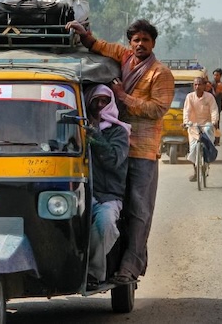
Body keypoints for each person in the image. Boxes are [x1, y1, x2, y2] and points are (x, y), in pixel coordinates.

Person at [65, 19, 174, 284]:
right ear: (130, 43)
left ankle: (130, 267)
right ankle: (105, 262)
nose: (139, 45)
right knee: (108, 206)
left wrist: (122, 97)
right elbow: (100, 46)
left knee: (138, 211)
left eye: (145, 40)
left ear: (153, 44)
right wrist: (83, 34)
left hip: (141, 151)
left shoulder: (160, 73)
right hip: (114, 143)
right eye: (136, 40)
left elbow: (157, 109)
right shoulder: (124, 57)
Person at [83, 84, 130, 290]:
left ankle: (92, 273)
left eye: (105, 101)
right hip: (81, 194)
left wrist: (95, 137)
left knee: (105, 224)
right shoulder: (78, 129)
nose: (100, 105)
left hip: (108, 196)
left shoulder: (119, 132)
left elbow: (113, 160)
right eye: (96, 101)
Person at [183, 77, 219, 182]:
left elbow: (214, 110)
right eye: (195, 85)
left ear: (204, 86)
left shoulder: (209, 97)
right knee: (193, 149)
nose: (197, 87)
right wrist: (186, 122)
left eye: (199, 84)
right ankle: (196, 172)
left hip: (206, 125)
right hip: (193, 126)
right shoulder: (190, 97)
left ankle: (207, 160)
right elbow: (187, 111)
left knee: (207, 138)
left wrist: (214, 121)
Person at [211, 68, 222, 146]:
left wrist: (211, 88)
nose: (215, 76)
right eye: (214, 75)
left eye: (217, 75)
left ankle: (217, 140)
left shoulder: (220, 85)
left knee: (216, 124)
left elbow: (215, 95)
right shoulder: (213, 83)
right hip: (211, 106)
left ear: (220, 76)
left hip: (217, 107)